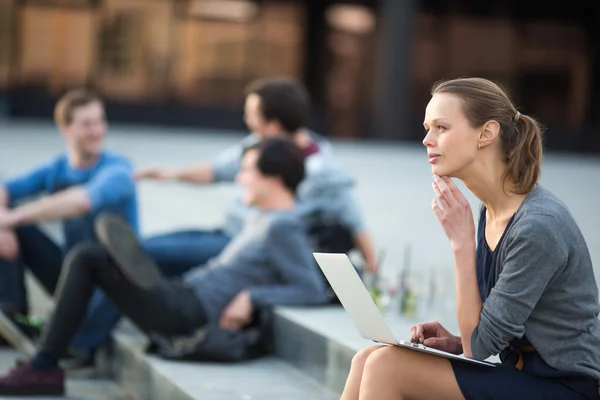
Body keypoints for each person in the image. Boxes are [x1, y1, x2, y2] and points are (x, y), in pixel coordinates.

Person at [0, 137, 328, 396]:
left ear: (275, 179)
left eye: (248, 171)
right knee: (94, 257)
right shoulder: (264, 218)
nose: (240, 178)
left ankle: (44, 364)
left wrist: (252, 297)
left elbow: (309, 287)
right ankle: (52, 353)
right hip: (184, 294)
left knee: (88, 257)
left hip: (189, 313)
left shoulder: (282, 226)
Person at [341, 77, 600, 400]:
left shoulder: (538, 226)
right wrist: (455, 341)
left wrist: (462, 243)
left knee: (386, 366)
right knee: (367, 358)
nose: (426, 139)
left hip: (564, 387)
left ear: (486, 133)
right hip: (522, 375)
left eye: (441, 128)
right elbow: (484, 336)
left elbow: (478, 349)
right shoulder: (490, 210)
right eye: (427, 127)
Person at [136, 77, 377, 274]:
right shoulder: (258, 144)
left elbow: (354, 221)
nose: (246, 120)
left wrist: (373, 269)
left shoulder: (324, 172)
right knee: (140, 248)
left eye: (251, 114)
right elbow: (217, 170)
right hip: (227, 232)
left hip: (247, 249)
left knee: (143, 255)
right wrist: (169, 174)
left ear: (273, 126)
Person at [0, 89, 138, 355]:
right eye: (87, 124)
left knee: (16, 218)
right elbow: (6, 189)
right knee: (9, 219)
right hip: (71, 272)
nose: (97, 130)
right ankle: (12, 312)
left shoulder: (119, 169)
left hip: (112, 282)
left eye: (100, 121)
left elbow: (81, 201)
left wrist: (11, 219)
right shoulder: (57, 167)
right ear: (66, 129)